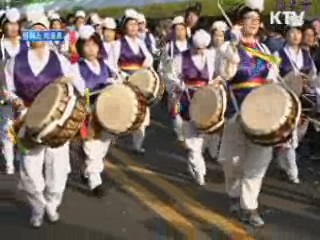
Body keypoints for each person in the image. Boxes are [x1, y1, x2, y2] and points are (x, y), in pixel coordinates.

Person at [3, 14, 73, 228]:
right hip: (27, 120)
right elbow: (7, 91)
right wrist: (20, 106)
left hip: (56, 122)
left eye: (43, 31)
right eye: (34, 31)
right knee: (29, 171)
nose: (38, 35)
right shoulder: (14, 62)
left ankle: (52, 203)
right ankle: (38, 206)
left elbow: (70, 86)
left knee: (58, 168)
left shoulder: (60, 59)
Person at [218, 0, 279, 227]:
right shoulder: (227, 48)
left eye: (257, 19)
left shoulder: (265, 50)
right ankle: (234, 194)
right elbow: (224, 73)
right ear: (239, 23)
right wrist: (232, 46)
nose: (254, 22)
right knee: (233, 162)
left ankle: (249, 206)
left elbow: (274, 78)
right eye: (249, 19)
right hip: (237, 111)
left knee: (259, 161)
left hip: (262, 113)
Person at [71, 25, 119, 197]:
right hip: (89, 112)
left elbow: (116, 77)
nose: (91, 48)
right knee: (91, 145)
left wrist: (117, 81)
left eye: (94, 44)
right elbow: (82, 89)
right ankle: (94, 180)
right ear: (80, 47)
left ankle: (87, 171)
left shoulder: (105, 64)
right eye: (87, 45)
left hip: (106, 112)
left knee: (103, 145)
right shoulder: (76, 67)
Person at [167, 29, 216, 185]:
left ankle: (193, 163)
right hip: (184, 101)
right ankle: (200, 172)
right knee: (190, 136)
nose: (200, 51)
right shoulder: (181, 58)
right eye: (197, 48)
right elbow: (170, 76)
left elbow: (219, 75)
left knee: (202, 139)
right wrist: (176, 85)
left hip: (206, 101)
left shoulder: (212, 56)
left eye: (203, 48)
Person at [273, 25, 319, 184]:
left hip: (303, 100)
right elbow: (272, 75)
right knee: (290, 136)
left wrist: (310, 83)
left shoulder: (306, 54)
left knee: (298, 134)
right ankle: (293, 172)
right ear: (286, 35)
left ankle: (281, 161)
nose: (296, 36)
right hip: (286, 98)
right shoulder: (278, 54)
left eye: (298, 33)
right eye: (292, 32)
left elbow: (313, 75)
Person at [109, 9, 153, 153]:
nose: (134, 27)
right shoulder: (117, 44)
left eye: (136, 24)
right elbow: (111, 65)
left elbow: (148, 58)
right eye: (130, 24)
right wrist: (123, 76)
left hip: (139, 83)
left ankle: (137, 144)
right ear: (124, 27)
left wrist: (145, 68)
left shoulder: (141, 43)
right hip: (124, 81)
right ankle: (114, 135)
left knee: (141, 113)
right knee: (122, 112)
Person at [0, 8, 28, 175]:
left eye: (15, 24)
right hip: (4, 92)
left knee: (24, 125)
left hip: (25, 92)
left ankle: (19, 155)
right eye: (9, 24)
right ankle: (9, 161)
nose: (12, 27)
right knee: (7, 126)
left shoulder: (26, 44)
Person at [160, 15, 190, 143]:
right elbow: (163, 67)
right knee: (176, 109)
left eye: (182, 29)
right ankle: (179, 133)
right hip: (175, 83)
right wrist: (171, 82)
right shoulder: (169, 48)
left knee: (190, 109)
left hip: (191, 82)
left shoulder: (192, 45)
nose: (179, 32)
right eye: (177, 29)